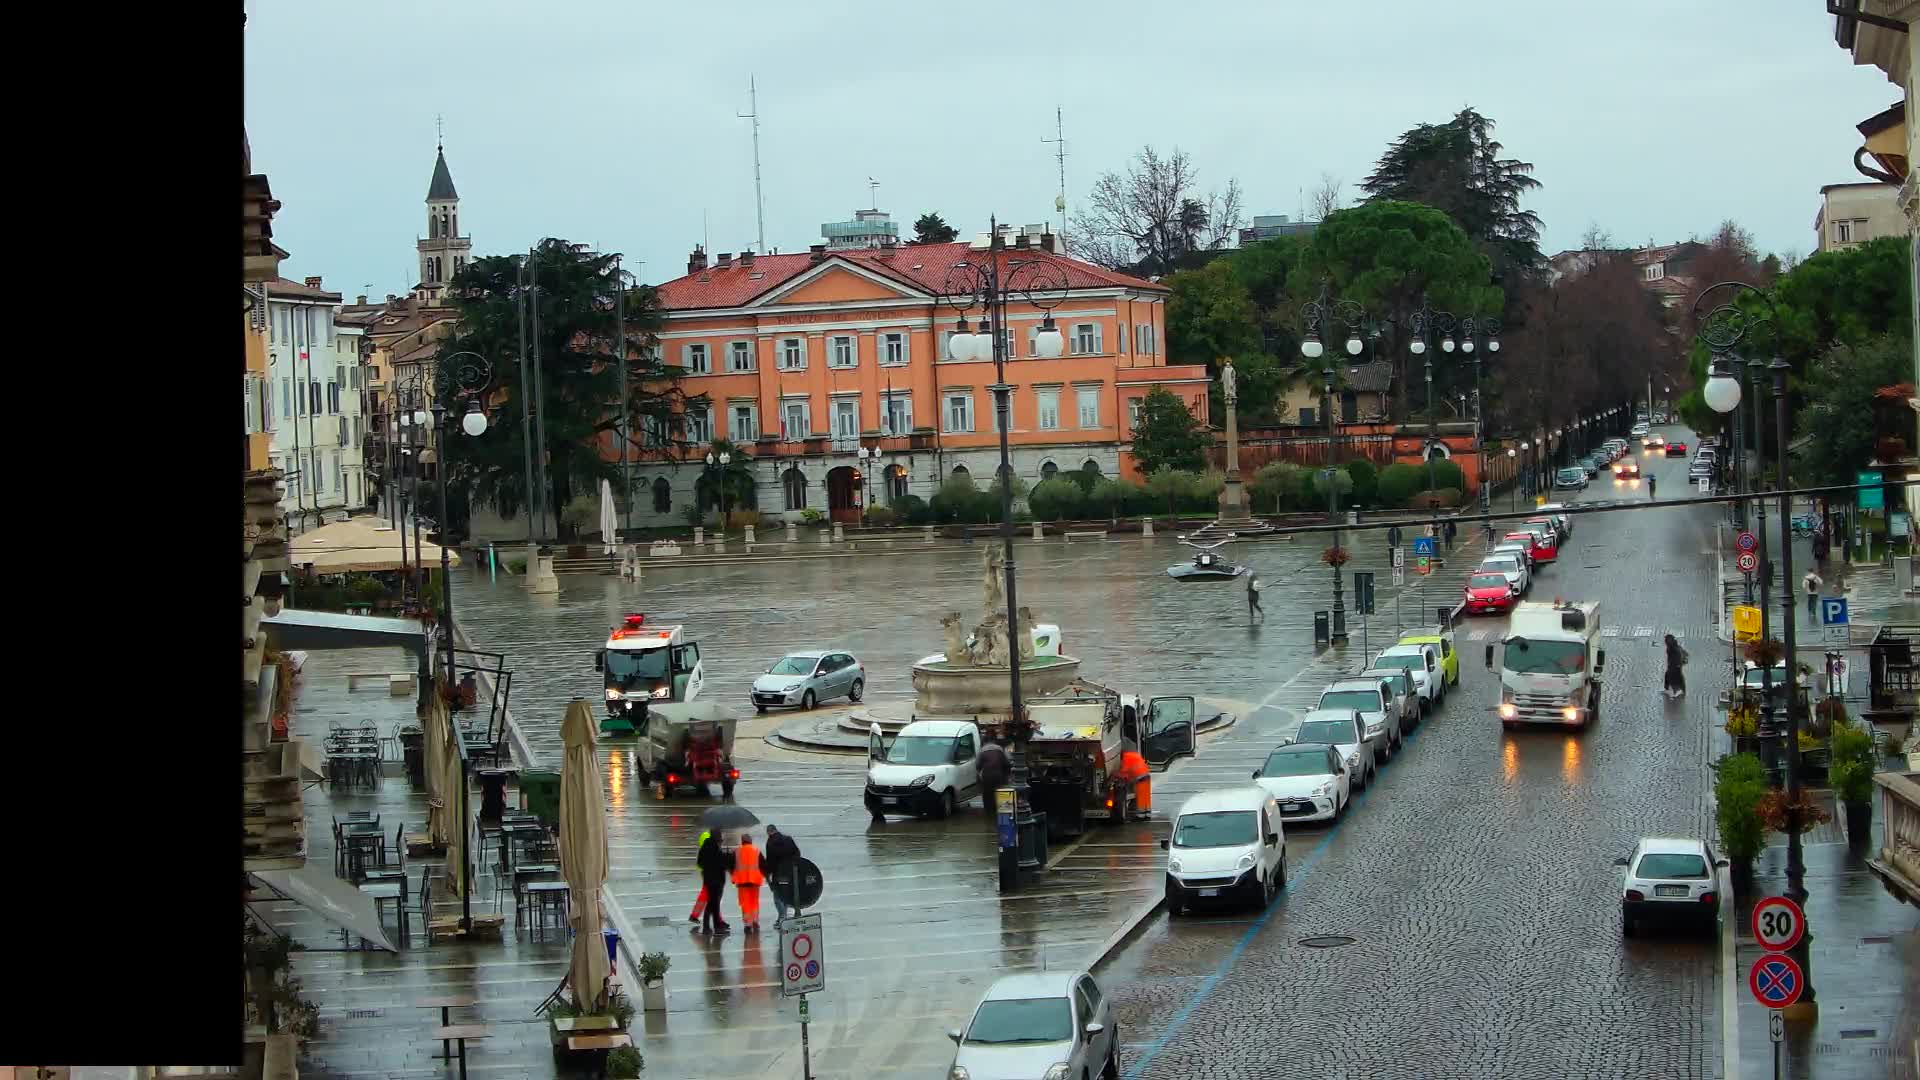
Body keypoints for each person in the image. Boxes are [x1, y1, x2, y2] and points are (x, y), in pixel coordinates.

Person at [696, 832, 733, 934]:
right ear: (717, 838)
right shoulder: (715, 849)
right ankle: (709, 927)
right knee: (713, 904)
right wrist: (728, 854)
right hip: (717, 880)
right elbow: (722, 863)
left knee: (713, 903)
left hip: (708, 879)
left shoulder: (705, 847)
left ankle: (715, 925)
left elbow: (699, 862)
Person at [764, 824, 801, 922]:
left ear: (768, 832)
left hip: (778, 873)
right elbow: (797, 853)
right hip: (790, 872)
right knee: (787, 893)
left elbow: (770, 861)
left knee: (778, 896)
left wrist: (768, 876)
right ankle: (785, 916)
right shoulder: (788, 839)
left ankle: (782, 916)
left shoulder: (770, 842)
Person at [732, 832, 764, 933]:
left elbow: (731, 865)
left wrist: (733, 877)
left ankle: (747, 924)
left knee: (745, 903)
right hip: (755, 881)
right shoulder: (756, 851)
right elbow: (763, 865)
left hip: (742, 881)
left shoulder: (737, 852)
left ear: (742, 841)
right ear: (750, 841)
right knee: (754, 902)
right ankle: (755, 921)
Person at [1116, 748, 1152, 820]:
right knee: (1146, 797)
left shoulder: (1126, 758)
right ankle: (1147, 814)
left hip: (1140, 777)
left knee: (1141, 797)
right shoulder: (1133, 755)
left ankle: (1140, 816)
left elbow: (1124, 771)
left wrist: (1117, 774)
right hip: (1146, 775)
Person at [977, 741, 1010, 815]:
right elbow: (1007, 764)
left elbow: (978, 765)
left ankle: (988, 811)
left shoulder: (982, 751)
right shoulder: (1000, 750)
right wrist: (1006, 775)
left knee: (987, 794)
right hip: (999, 775)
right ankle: (1001, 811)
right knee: (1000, 792)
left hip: (986, 776)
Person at [688, 829, 711, 923]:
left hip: (705, 872)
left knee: (708, 895)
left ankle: (695, 915)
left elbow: (699, 864)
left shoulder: (702, 848)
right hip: (709, 874)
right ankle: (695, 915)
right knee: (710, 895)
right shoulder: (708, 848)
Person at [1663, 634, 1689, 699]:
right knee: (1674, 676)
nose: (1665, 643)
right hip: (1675, 665)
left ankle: (1677, 691)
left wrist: (1677, 664)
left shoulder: (1672, 648)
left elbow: (1677, 656)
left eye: (1666, 641)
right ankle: (1677, 690)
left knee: (1674, 677)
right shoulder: (1673, 647)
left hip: (1675, 665)